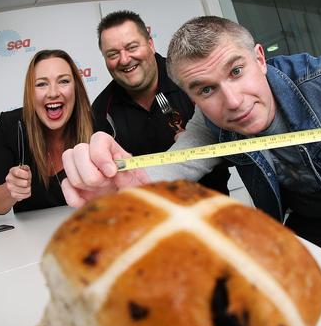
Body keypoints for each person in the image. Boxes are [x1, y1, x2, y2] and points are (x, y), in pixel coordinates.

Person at [59, 16, 321, 323]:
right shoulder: (207, 124)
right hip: (309, 222)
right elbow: (173, 167)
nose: (232, 101)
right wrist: (128, 188)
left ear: (260, 59)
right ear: (191, 95)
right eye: (206, 89)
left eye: (236, 71)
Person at [92, 10, 230, 194]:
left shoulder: (190, 79)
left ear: (150, 44)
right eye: (112, 54)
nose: (124, 59)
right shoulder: (101, 109)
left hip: (211, 207)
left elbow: (233, 139)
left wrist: (199, 144)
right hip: (149, 212)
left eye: (132, 47)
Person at [0, 49, 94, 215]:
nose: (53, 93)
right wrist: (10, 190)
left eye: (63, 81)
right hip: (31, 239)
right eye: (41, 84)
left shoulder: (96, 123)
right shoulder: (11, 125)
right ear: (30, 93)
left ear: (76, 88)